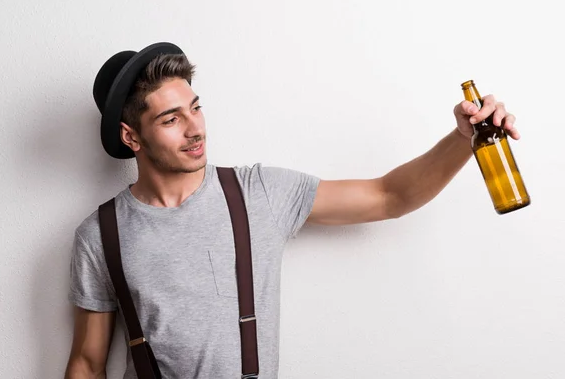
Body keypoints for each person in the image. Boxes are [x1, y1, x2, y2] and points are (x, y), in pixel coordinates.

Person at [64, 42, 520, 379]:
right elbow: (87, 362)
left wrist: (465, 139)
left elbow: (390, 196)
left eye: (195, 108)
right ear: (131, 137)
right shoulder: (101, 235)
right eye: (170, 120)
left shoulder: (256, 192)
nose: (194, 129)